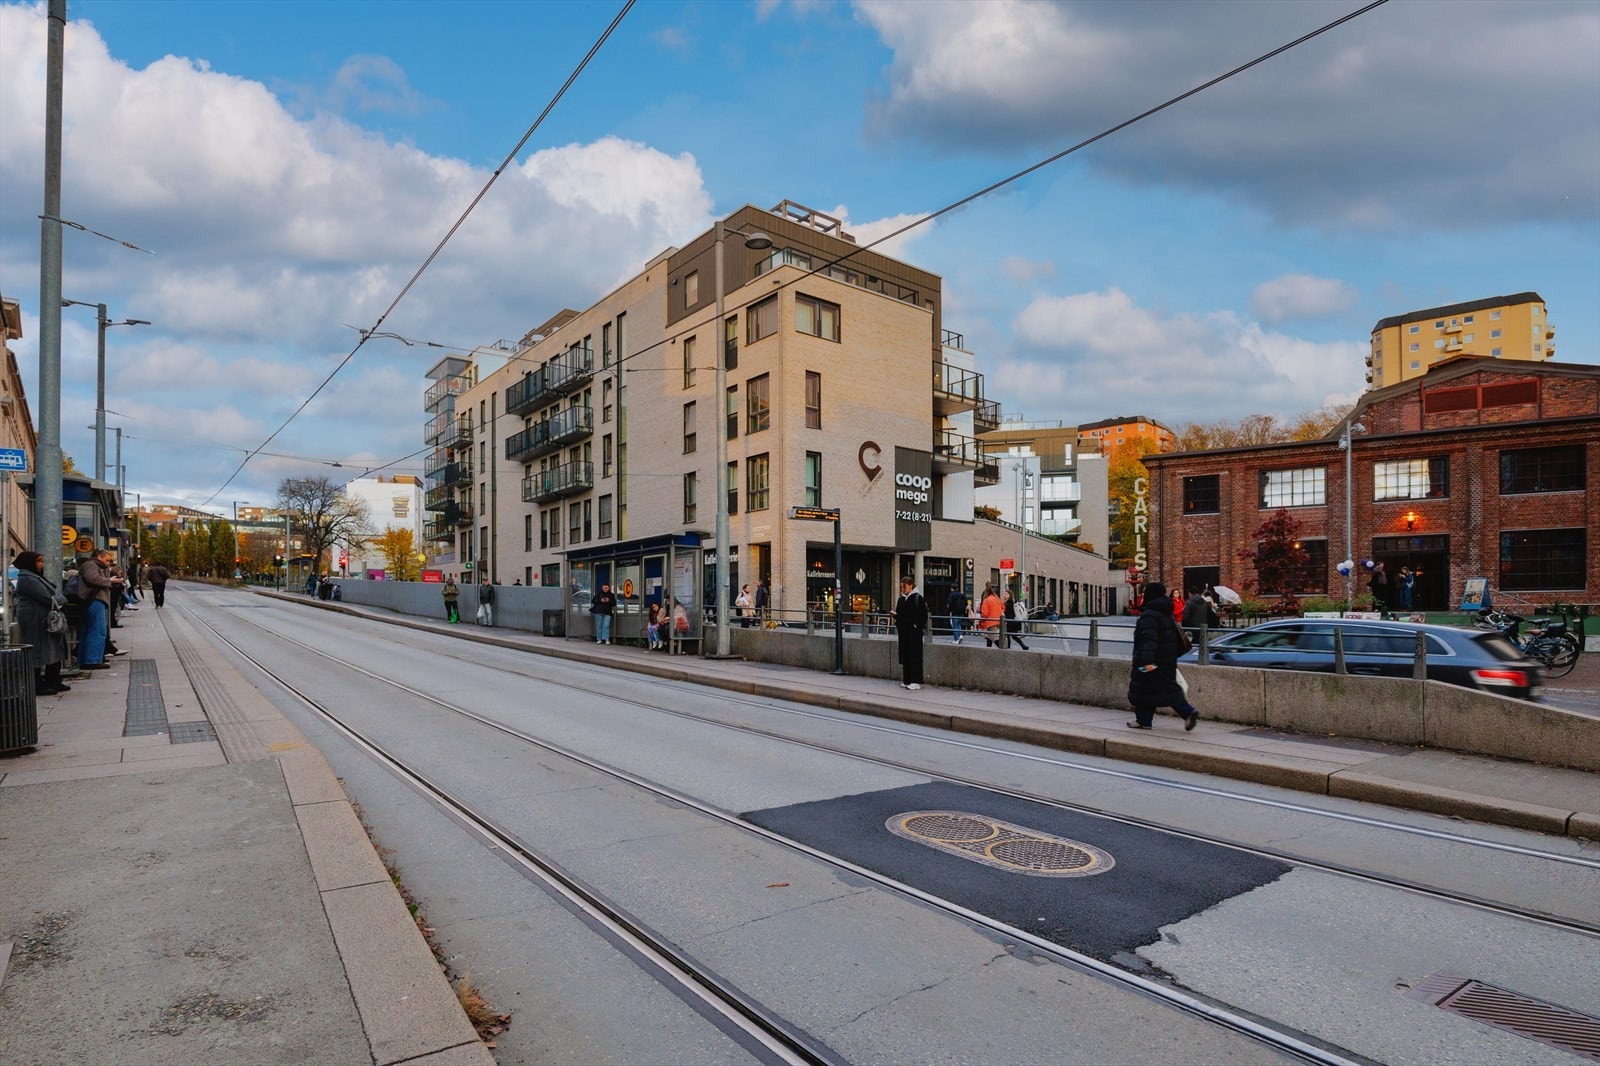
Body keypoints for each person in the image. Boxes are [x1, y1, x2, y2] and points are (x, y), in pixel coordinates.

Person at [1127, 581, 1199, 731]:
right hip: (1166, 660)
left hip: (1151, 661)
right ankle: (1187, 712)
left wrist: (1146, 660)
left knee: (1143, 686)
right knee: (1163, 689)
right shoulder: (1167, 613)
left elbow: (1149, 639)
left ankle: (1144, 721)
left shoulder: (1149, 615)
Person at [13, 551, 71, 695]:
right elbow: (47, 597)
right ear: (29, 563)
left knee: (53, 648)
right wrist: (61, 598)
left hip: (42, 618)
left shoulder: (33, 577)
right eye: (38, 561)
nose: (41, 564)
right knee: (37, 651)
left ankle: (53, 681)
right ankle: (38, 684)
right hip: (35, 619)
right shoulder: (28, 579)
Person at [76, 548, 124, 669]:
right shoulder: (91, 565)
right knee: (97, 631)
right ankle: (93, 660)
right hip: (94, 600)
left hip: (93, 600)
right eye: (107, 560)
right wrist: (109, 580)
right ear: (99, 556)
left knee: (89, 630)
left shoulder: (93, 565)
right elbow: (92, 579)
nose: (108, 563)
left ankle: (85, 659)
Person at [893, 575, 928, 690]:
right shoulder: (901, 599)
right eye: (902, 587)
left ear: (911, 585)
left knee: (914, 655)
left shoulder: (918, 598)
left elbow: (923, 616)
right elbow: (900, 615)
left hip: (914, 632)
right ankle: (907, 679)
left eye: (905, 587)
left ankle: (915, 680)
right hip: (904, 631)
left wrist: (915, 625)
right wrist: (896, 616)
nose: (903, 589)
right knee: (905, 655)